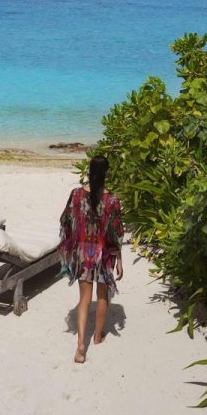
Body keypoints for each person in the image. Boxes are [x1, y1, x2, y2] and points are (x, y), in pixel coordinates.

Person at [58, 154, 124, 363]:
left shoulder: (76, 194)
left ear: (89, 171)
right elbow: (116, 233)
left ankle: (80, 346)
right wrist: (119, 258)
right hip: (102, 254)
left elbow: (65, 220)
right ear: (106, 172)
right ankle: (96, 336)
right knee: (102, 294)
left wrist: (71, 245)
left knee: (84, 299)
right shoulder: (112, 199)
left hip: (82, 253)